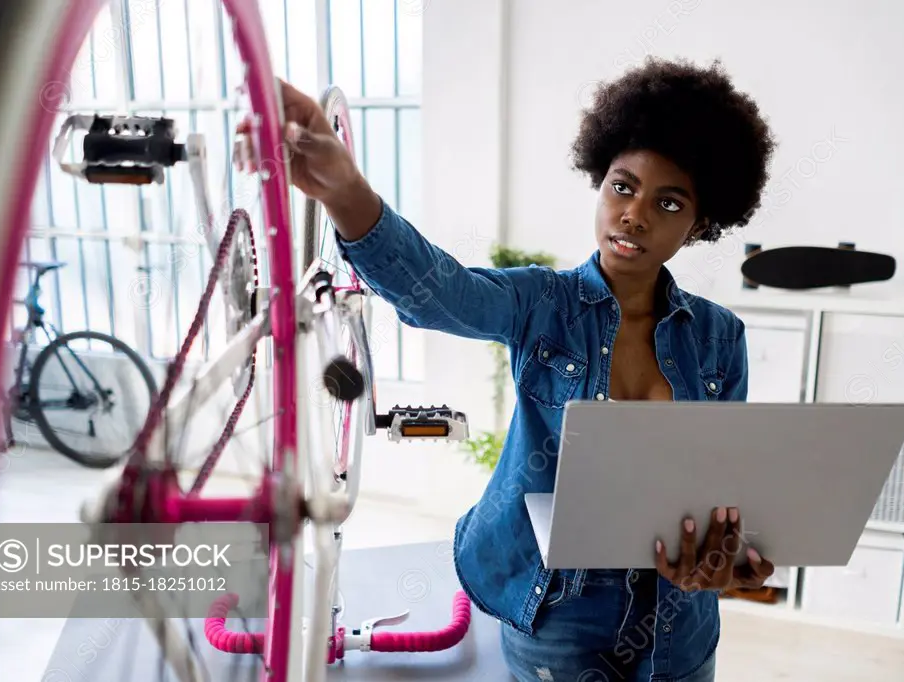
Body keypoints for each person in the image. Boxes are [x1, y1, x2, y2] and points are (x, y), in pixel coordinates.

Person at [252, 56, 778, 682]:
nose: (634, 213)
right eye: (622, 186)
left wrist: (727, 557)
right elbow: (439, 292)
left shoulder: (721, 338)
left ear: (700, 225)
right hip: (556, 608)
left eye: (668, 202)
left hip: (679, 625)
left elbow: (726, 492)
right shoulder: (543, 303)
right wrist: (344, 191)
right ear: (600, 180)